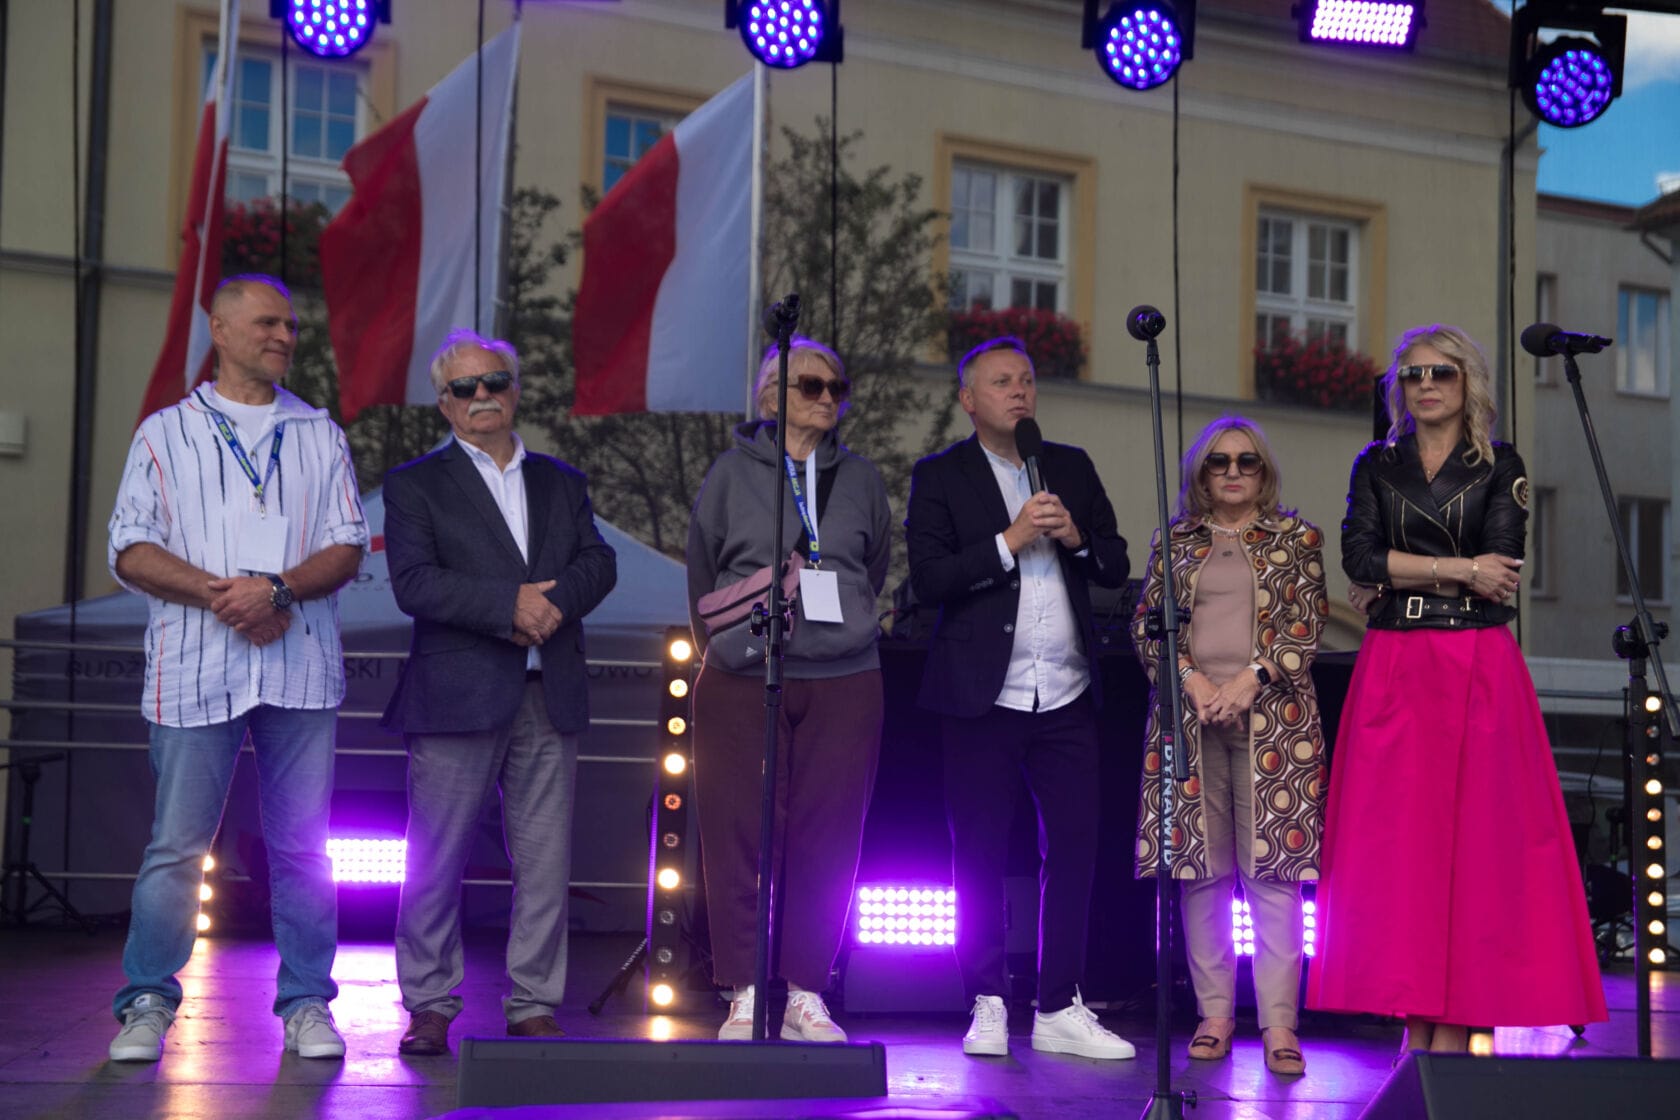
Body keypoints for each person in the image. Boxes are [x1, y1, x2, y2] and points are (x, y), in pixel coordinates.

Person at [1307, 324, 1607, 1052]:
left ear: (1467, 380)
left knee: (1481, 850)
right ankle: (1417, 1036)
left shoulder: (1501, 464)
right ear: (1399, 390)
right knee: (1401, 851)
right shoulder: (1377, 464)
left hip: (1478, 663)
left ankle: (1458, 1032)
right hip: (1397, 665)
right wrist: (1459, 570)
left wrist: (1414, 571)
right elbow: (1358, 557)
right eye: (1412, 374)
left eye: (1441, 371)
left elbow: (1504, 563)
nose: (1427, 385)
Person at [106, 274, 368, 1063]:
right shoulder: (165, 434)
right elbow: (130, 548)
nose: (285, 336)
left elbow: (348, 545)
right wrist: (230, 597)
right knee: (177, 849)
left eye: (291, 325)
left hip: (299, 671)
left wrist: (276, 590)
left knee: (305, 851)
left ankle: (308, 1003)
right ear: (219, 329)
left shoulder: (319, 433)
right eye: (267, 323)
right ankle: (146, 1002)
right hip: (195, 671)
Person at [381, 330, 618, 1055]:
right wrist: (509, 605)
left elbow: (599, 562)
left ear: (515, 390)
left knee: (544, 863)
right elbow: (413, 583)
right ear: (444, 403)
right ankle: (429, 1003)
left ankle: (534, 1004)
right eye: (465, 387)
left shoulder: (562, 481)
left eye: (495, 381)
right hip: (455, 694)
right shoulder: (415, 484)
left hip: (549, 690)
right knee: (435, 858)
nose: (481, 395)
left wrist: (551, 608)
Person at [905, 336, 1133, 1060]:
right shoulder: (940, 475)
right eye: (1002, 382)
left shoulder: (1070, 466)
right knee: (977, 851)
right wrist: (1010, 540)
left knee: (1074, 849)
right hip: (983, 696)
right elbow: (928, 579)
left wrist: (1077, 539)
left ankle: (1060, 1004)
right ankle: (987, 999)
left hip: (1066, 691)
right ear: (968, 400)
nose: (1020, 392)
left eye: (1027, 381)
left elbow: (1115, 562)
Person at [685, 337, 891, 1043]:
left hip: (845, 677)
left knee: (829, 840)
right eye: (811, 386)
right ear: (771, 396)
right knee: (737, 834)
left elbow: (874, 565)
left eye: (837, 388)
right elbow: (702, 570)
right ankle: (744, 991)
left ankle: (806, 993)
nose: (827, 398)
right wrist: (730, 645)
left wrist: (839, 625)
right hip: (745, 676)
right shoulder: (729, 474)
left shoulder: (861, 479)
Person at [1131, 416, 1327, 1076]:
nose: (1233, 472)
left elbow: (1306, 623)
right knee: (1201, 874)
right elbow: (1147, 626)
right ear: (1201, 472)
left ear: (1264, 472)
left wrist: (1250, 680)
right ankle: (1214, 1015)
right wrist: (1190, 680)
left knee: (1273, 875)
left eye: (1247, 461)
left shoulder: (1297, 538)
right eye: (1219, 462)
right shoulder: (1175, 541)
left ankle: (1280, 1025)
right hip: (1188, 722)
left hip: (1275, 723)